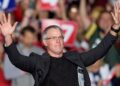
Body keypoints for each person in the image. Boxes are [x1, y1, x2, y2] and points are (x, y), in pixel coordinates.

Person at [0, 2, 120, 86]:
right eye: (53, 37)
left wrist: (114, 29)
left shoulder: (75, 58)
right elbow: (17, 59)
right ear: (45, 42)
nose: (58, 40)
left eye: (60, 37)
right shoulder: (38, 62)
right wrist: (7, 37)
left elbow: (99, 51)